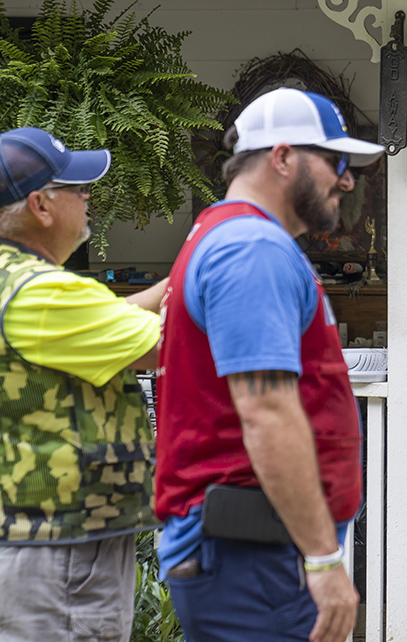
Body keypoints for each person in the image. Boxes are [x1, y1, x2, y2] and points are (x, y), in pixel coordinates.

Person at [153, 88, 385, 642]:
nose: (347, 180)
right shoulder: (251, 249)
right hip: (250, 555)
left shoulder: (226, 234)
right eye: (335, 161)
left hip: (249, 549)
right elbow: (267, 415)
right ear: (282, 157)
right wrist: (324, 560)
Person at [0, 127, 166, 641]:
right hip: (60, 549)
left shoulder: (19, 281)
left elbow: (108, 318)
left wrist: (178, 274)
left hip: (36, 536)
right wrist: (211, 255)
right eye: (76, 187)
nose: (88, 197)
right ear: (40, 206)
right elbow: (162, 345)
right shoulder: (43, 294)